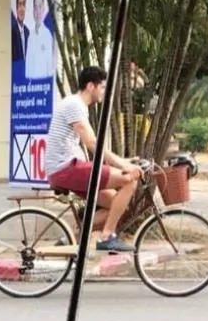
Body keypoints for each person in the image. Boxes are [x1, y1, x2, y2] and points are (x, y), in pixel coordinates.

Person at [43, 66, 141, 253]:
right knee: (129, 181)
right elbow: (92, 143)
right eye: (102, 87)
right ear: (90, 86)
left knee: (115, 204)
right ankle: (108, 236)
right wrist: (124, 165)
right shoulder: (75, 105)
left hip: (68, 167)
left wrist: (123, 160)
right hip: (66, 168)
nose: (104, 91)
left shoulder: (77, 105)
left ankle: (70, 239)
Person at [24, 0, 56, 80]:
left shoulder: (48, 36)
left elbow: (50, 69)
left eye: (40, 7)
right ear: (33, 10)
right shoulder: (30, 36)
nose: (38, 11)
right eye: (35, 7)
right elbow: (28, 68)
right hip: (30, 86)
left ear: (44, 9)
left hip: (43, 86)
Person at [11, 0, 29, 65]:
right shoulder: (12, 31)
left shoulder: (27, 32)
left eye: (24, 4)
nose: (22, 9)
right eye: (20, 4)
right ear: (16, 7)